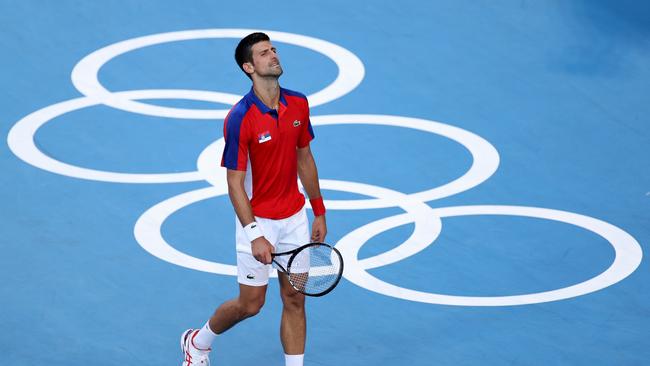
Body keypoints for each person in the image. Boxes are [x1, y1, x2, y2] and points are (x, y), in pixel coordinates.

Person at [180, 32, 327, 366]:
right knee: (251, 305)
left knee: (295, 299)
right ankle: (198, 342)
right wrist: (254, 233)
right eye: (264, 53)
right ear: (249, 67)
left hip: (294, 220)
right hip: (257, 220)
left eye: (273, 49)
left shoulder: (299, 104)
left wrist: (318, 210)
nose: (273, 55)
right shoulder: (240, 118)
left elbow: (305, 158)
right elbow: (234, 183)